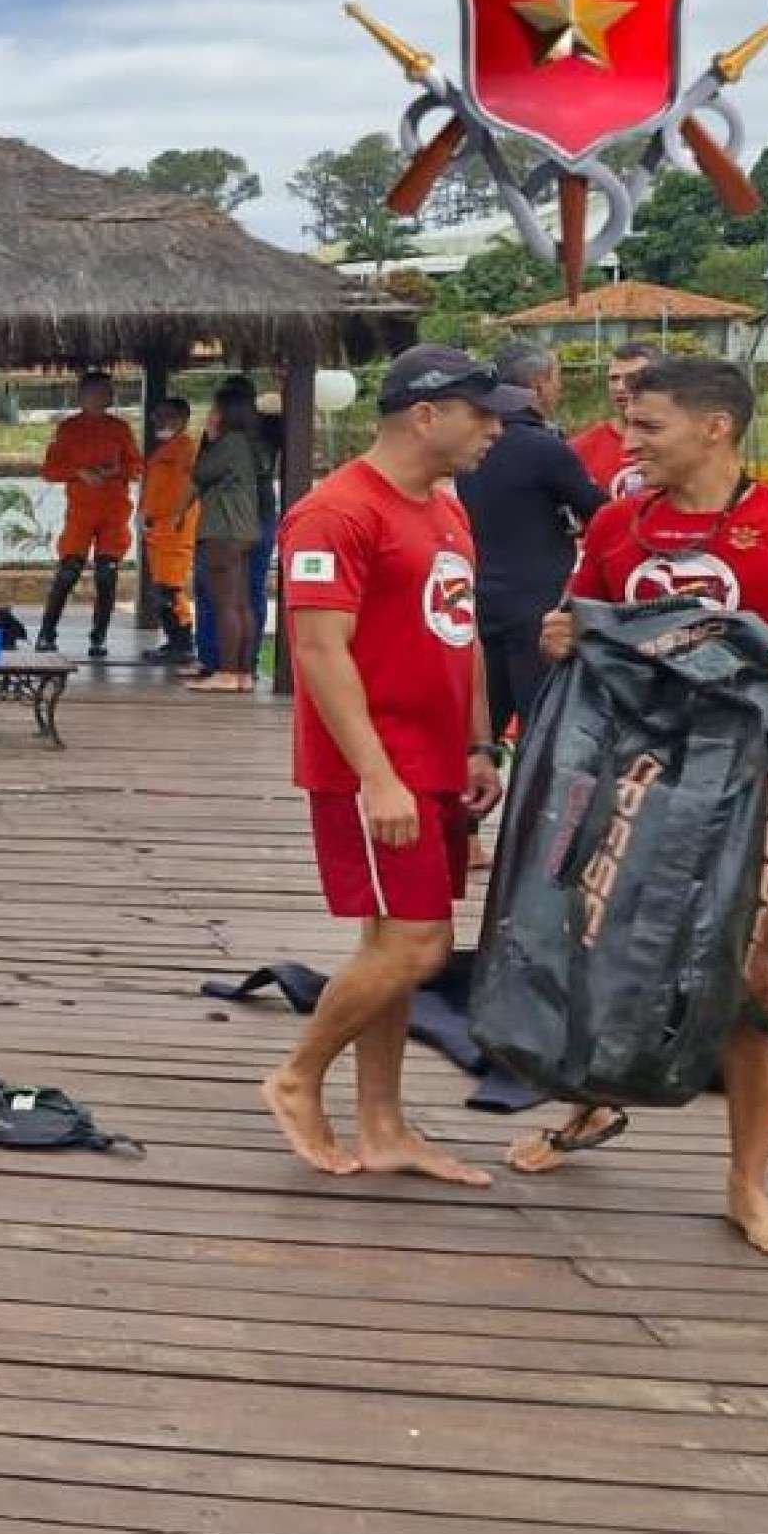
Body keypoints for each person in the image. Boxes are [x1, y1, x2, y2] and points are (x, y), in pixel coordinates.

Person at [509, 356, 768, 1258]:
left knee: (752, 984)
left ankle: (747, 1186)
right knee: (592, 946)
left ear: (715, 428)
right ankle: (589, 1107)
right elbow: (575, 625)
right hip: (623, 776)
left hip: (744, 785)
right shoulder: (614, 525)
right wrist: (558, 634)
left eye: (648, 426)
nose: (627, 441)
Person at [257, 346, 527, 1185]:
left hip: (438, 761)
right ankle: (296, 1077)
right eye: (481, 414)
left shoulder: (445, 509)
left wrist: (479, 743)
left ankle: (383, 1125)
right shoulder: (334, 513)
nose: (495, 430)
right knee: (415, 946)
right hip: (374, 767)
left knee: (390, 945)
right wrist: (376, 776)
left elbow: (459, 631)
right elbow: (317, 650)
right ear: (425, 415)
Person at [461, 340, 610, 737]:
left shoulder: (467, 446)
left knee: (478, 730)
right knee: (541, 728)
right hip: (536, 609)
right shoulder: (544, 447)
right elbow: (601, 514)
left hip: (477, 601)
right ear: (541, 383)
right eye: (557, 379)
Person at [35, 370, 143, 658]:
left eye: (109, 392)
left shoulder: (120, 428)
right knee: (68, 572)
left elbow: (137, 467)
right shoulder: (69, 429)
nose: (106, 397)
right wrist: (79, 472)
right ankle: (46, 633)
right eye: (99, 392)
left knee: (107, 575)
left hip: (114, 512)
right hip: (81, 513)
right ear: (82, 396)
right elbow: (49, 470)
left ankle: (99, 637)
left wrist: (115, 471)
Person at [186, 379, 271, 693]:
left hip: (223, 528)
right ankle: (243, 672)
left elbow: (199, 473)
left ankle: (226, 671)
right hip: (247, 528)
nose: (210, 416)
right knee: (242, 603)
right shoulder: (252, 443)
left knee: (225, 604)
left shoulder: (229, 444)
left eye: (214, 411)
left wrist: (209, 440)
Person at [137, 396, 200, 665]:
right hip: (158, 529)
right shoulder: (164, 451)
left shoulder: (187, 450)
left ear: (182, 419)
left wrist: (176, 516)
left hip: (176, 528)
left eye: (166, 416)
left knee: (170, 588)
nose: (158, 422)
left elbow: (191, 487)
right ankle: (174, 640)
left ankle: (183, 643)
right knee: (161, 587)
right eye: (157, 416)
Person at [566, 341, 663, 499]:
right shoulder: (580, 449)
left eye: (633, 377)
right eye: (614, 378)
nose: (620, 387)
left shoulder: (684, 443)